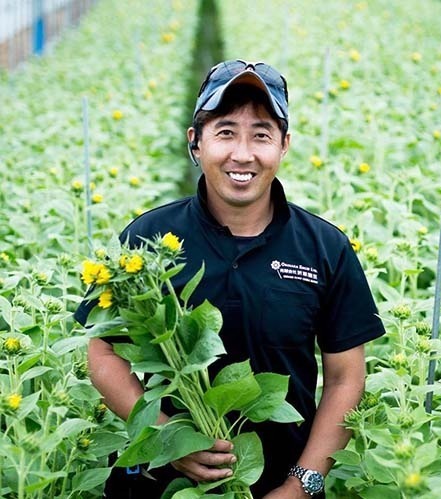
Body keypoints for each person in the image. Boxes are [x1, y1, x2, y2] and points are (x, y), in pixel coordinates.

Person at [75, 59, 385, 498]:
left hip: (280, 480)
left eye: (261, 135)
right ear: (195, 143)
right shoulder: (146, 241)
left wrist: (301, 487)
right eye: (225, 132)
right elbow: (103, 351)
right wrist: (168, 440)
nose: (243, 154)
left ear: (284, 146)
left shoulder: (325, 248)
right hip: (162, 482)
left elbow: (345, 378)